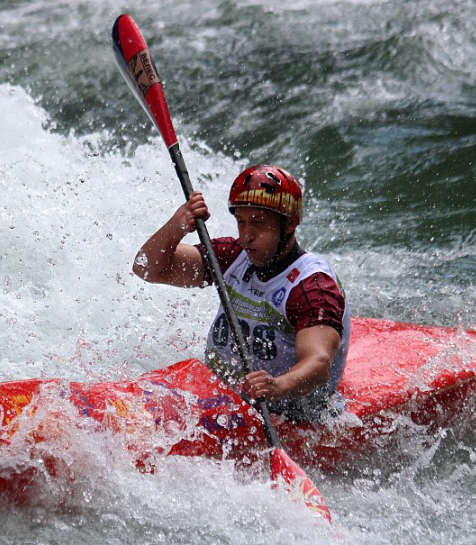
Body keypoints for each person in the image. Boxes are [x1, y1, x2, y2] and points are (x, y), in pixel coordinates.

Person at [133, 165, 350, 423]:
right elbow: (147, 268)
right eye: (241, 222)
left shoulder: (311, 287)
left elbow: (319, 364)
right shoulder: (232, 256)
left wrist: (276, 386)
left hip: (293, 414)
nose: (247, 236)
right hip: (229, 399)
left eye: (259, 223)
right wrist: (177, 225)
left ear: (290, 223)